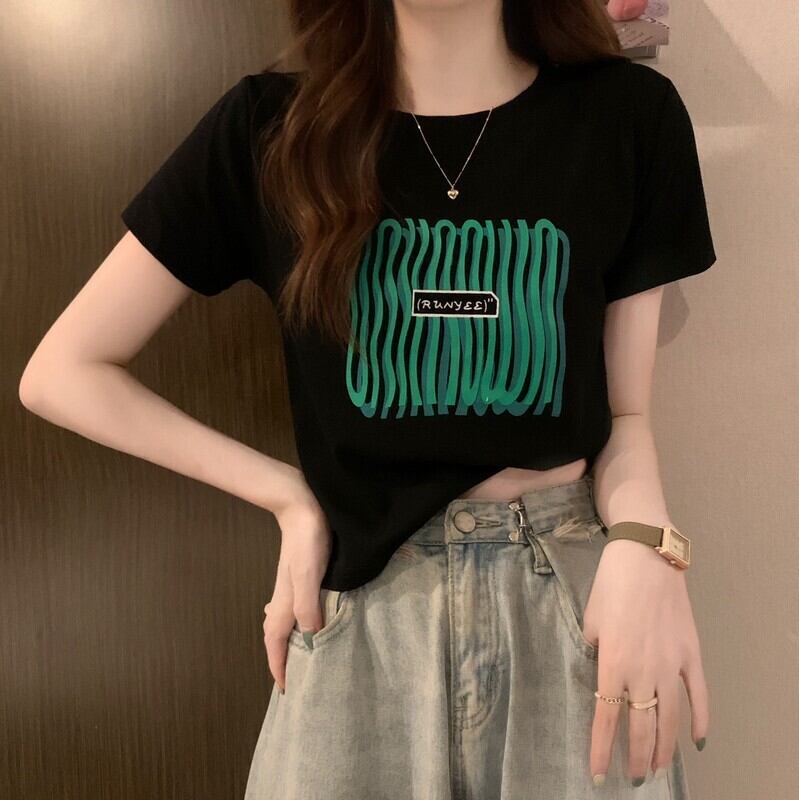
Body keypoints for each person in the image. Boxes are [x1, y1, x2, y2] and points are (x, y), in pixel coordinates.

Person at [19, 1, 715, 798]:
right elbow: (63, 372)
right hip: (362, 611)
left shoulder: (625, 116)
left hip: (574, 604)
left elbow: (626, 417)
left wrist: (646, 549)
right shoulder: (271, 131)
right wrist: (288, 498)